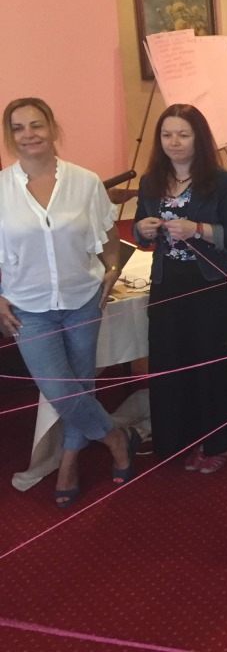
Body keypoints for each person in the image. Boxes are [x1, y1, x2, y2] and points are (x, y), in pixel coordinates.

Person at [0, 97, 138, 507]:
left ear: (52, 128)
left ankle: (68, 465)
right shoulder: (2, 189)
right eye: (19, 128)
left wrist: (111, 272)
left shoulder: (85, 182)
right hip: (27, 309)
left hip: (82, 300)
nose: (29, 135)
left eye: (36, 124)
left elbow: (108, 238)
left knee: (82, 384)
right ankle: (115, 438)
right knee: (61, 390)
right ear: (10, 136)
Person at [133, 104, 227, 472]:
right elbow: (139, 232)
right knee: (171, 362)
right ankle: (178, 438)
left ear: (199, 138)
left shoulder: (222, 182)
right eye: (167, 135)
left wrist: (197, 229)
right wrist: (143, 229)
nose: (174, 142)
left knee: (210, 365)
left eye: (183, 134)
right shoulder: (151, 181)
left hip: (210, 286)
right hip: (167, 284)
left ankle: (218, 441)